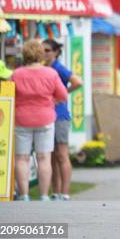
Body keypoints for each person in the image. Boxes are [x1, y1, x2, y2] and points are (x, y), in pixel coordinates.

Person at [12, 40, 68, 201]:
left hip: (22, 119)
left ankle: (24, 194)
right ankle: (44, 195)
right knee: (44, 158)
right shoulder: (51, 73)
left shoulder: (17, 74)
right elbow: (63, 95)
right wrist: (51, 101)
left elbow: (9, 94)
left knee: (22, 158)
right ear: (41, 54)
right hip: (45, 118)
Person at [42, 39, 83, 201]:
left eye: (47, 50)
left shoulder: (58, 68)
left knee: (62, 154)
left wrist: (62, 95)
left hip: (60, 116)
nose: (44, 53)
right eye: (42, 50)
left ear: (56, 52)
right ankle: (55, 192)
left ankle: (65, 193)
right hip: (45, 115)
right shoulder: (44, 68)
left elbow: (77, 82)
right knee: (51, 155)